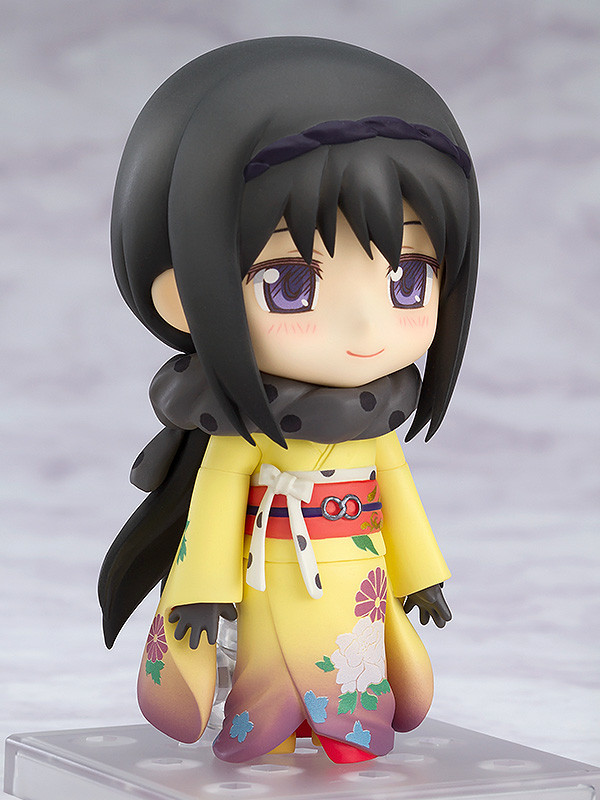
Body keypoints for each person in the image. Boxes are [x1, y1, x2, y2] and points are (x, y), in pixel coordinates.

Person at [99, 36, 479, 763]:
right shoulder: (242, 436)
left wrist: (422, 578)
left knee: (353, 678)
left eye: (408, 280)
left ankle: (347, 731)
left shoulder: (375, 430)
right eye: (290, 284)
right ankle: (263, 730)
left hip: (356, 579)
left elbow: (397, 498)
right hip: (267, 577)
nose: (365, 329)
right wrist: (204, 589)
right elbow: (214, 504)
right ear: (180, 294)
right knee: (267, 680)